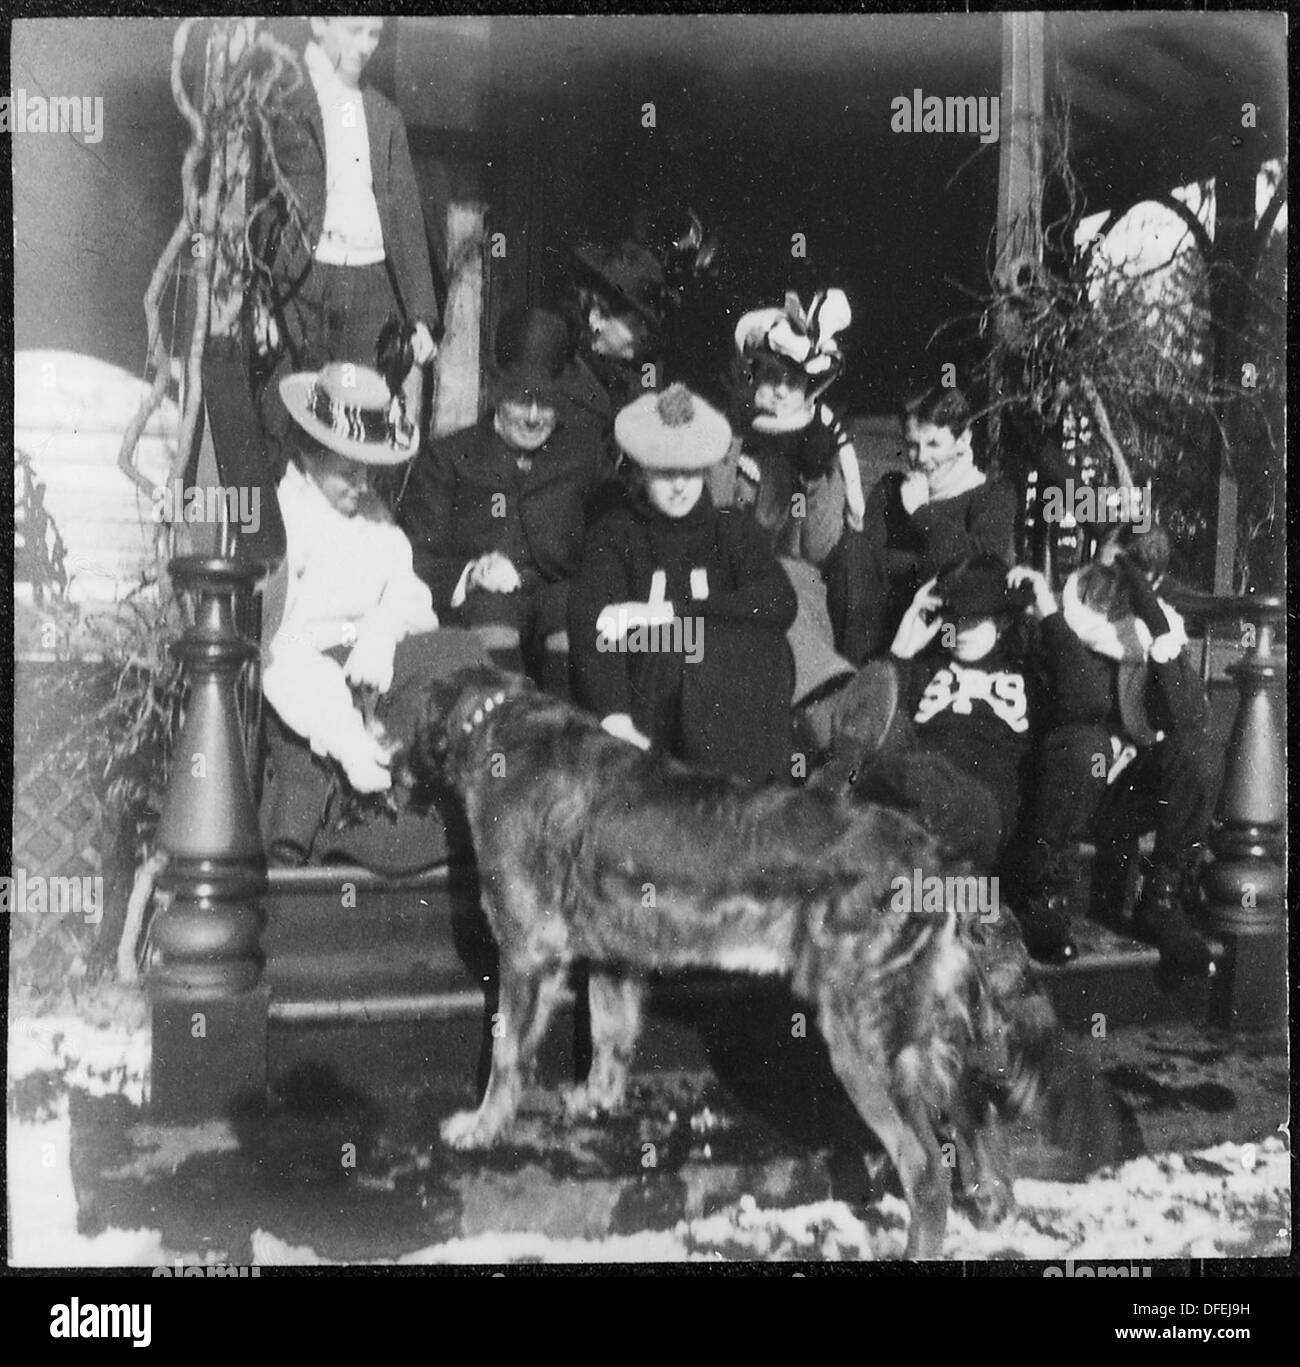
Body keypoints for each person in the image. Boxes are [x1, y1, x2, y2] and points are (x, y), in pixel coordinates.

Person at [259, 359, 486, 866]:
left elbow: (408, 591)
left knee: (467, 654)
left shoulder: (372, 515)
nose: (362, 482)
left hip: (381, 659)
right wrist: (343, 733)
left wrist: (382, 632)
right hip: (327, 684)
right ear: (310, 454)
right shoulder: (288, 523)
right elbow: (279, 651)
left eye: (369, 469)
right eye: (347, 470)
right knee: (452, 670)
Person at [1011, 525, 1217, 980]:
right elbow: (1078, 702)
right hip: (1066, 789)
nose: (1119, 581)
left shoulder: (1155, 630)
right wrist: (1054, 618)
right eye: (1114, 563)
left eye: (1135, 572)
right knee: (1087, 743)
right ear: (1091, 560)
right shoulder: (1062, 612)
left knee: (1196, 754)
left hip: (1124, 797)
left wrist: (1156, 624)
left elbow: (1187, 721)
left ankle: (1161, 902)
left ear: (1153, 582)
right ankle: (1045, 900)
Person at [569, 384, 797, 787]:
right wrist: (614, 715)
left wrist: (670, 613)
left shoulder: (732, 530)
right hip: (656, 701)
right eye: (665, 473)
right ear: (641, 472)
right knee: (672, 645)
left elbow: (778, 600)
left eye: (690, 473)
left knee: (767, 646)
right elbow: (594, 623)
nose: (679, 486)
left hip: (727, 694)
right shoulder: (617, 533)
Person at [253, 17, 440, 472]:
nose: (365, 45)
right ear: (319, 23)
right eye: (354, 30)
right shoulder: (282, 101)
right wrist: (260, 297)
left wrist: (420, 316)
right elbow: (260, 201)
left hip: (372, 290)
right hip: (302, 283)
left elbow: (407, 217)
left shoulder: (383, 114)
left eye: (374, 34)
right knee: (289, 413)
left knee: (360, 421)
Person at [398, 307, 607, 691]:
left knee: (572, 619)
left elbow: (610, 537)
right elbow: (410, 556)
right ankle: (508, 737)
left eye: (544, 403)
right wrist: (471, 573)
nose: (532, 417)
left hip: (555, 605)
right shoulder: (448, 457)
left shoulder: (581, 458)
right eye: (520, 400)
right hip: (481, 610)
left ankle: (566, 735)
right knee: (494, 621)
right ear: (496, 393)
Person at [821, 554, 1037, 881]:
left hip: (979, 803)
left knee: (921, 779)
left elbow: (1086, 702)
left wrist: (1049, 613)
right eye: (954, 617)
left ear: (1003, 622)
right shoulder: (924, 669)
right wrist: (901, 649)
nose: (960, 629)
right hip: (910, 786)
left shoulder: (1026, 674)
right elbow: (867, 716)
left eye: (973, 619)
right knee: (888, 731)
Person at [858, 385, 1018, 658]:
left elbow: (983, 566)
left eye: (933, 444)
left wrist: (922, 513)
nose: (920, 458)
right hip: (882, 632)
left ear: (963, 440)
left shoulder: (992, 494)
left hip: (948, 635)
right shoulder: (889, 490)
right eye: (911, 444)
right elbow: (866, 563)